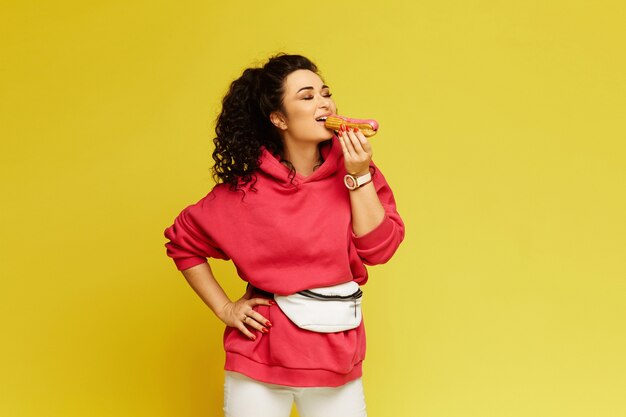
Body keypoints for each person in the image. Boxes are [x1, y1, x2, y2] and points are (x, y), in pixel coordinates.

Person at [163, 53, 405, 417]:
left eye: (326, 93)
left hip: (337, 359)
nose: (324, 102)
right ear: (279, 119)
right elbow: (183, 242)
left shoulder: (357, 169)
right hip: (260, 359)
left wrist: (359, 176)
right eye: (307, 97)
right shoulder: (246, 190)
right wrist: (225, 308)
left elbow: (379, 250)